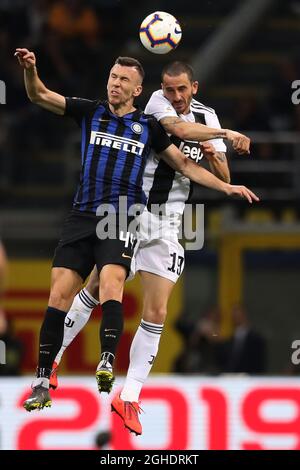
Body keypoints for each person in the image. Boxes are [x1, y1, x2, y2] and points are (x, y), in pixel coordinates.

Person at [49, 61, 257, 435]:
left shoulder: (207, 116)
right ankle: (53, 359)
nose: (174, 97)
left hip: (170, 222)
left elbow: (222, 173)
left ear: (194, 87)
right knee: (97, 286)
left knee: (158, 310)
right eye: (168, 88)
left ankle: (128, 397)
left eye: (181, 90)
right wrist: (221, 133)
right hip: (132, 208)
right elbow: (177, 130)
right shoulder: (155, 107)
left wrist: (217, 156)